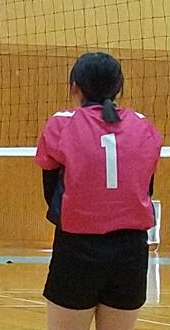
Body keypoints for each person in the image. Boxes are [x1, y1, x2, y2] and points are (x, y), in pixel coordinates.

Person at [35, 52, 161, 330]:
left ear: (74, 87)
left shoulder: (61, 123)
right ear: (119, 89)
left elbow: (51, 189)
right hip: (131, 252)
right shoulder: (144, 125)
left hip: (77, 248)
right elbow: (146, 186)